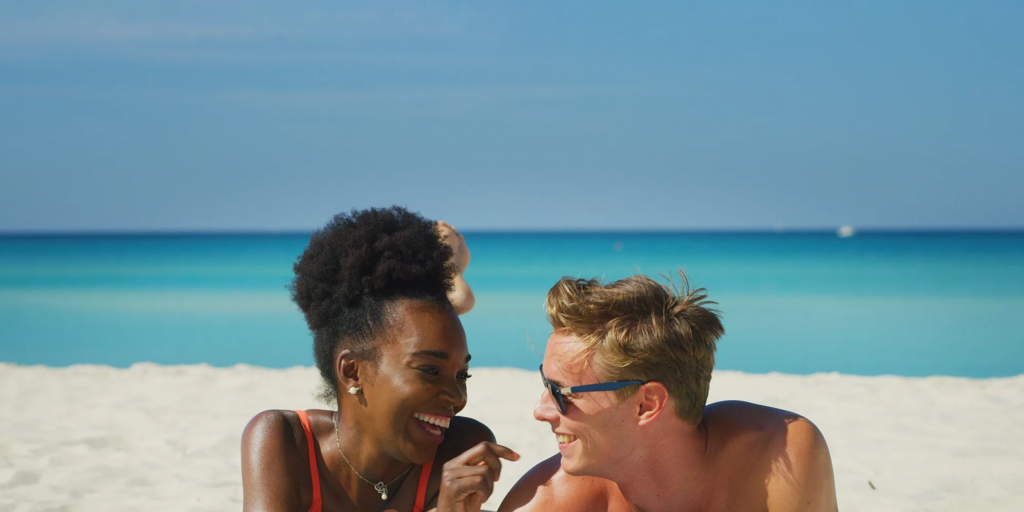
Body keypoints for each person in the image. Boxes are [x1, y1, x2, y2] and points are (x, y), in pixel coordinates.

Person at [242, 206, 517, 512]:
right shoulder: (285, 441)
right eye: (430, 370)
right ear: (352, 371)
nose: (457, 397)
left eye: (462, 375)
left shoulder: (458, 449)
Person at [499, 273, 838, 512]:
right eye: (546, 384)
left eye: (563, 393)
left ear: (647, 405)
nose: (541, 410)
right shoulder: (548, 503)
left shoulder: (778, 451)